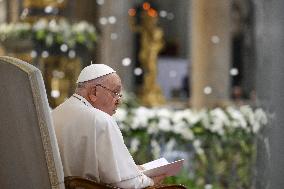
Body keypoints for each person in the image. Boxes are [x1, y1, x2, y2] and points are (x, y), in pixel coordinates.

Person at [52, 64, 165, 188]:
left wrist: (133, 170)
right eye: (115, 92)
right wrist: (150, 181)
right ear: (94, 92)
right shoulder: (100, 119)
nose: (119, 100)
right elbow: (124, 183)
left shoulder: (55, 113)